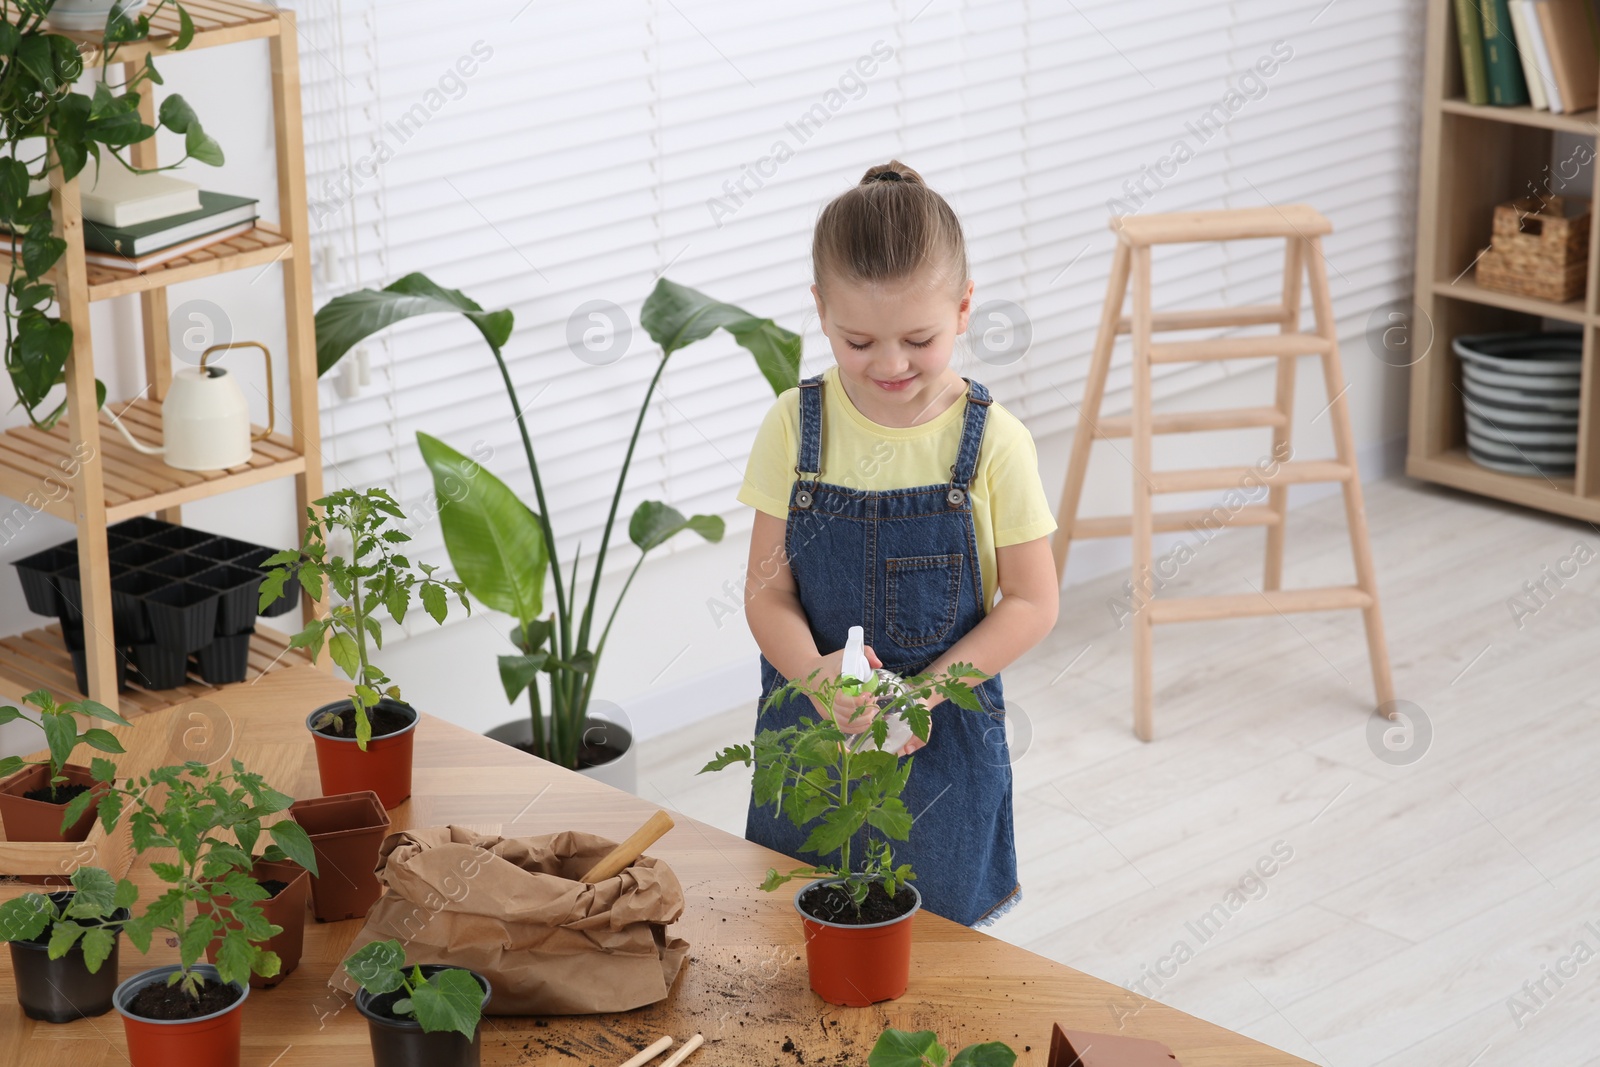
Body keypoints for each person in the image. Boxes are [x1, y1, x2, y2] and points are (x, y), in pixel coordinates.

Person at [736, 159, 1060, 927]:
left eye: (919, 338)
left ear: (964, 307)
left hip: (940, 741)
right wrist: (818, 680)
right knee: (797, 932)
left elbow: (1035, 602)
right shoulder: (793, 424)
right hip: (815, 733)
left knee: (933, 949)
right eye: (857, 340)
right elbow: (766, 592)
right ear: (820, 311)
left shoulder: (995, 442)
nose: (889, 365)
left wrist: (923, 695)